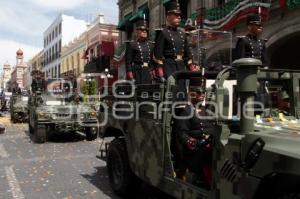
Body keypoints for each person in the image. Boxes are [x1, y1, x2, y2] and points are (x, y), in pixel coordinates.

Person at [174, 77, 213, 188]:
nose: (202, 94)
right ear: (191, 93)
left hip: (210, 145)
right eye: (198, 92)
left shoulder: (207, 109)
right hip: (196, 151)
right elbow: (182, 134)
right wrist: (195, 143)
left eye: (203, 92)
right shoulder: (186, 111)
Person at [125, 18, 154, 84]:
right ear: (137, 31)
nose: (145, 31)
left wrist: (152, 71)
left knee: (148, 91)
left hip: (147, 71)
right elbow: (128, 62)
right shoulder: (132, 45)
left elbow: (152, 61)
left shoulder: (151, 45)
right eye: (142, 30)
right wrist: (130, 76)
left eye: (146, 30)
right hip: (137, 72)